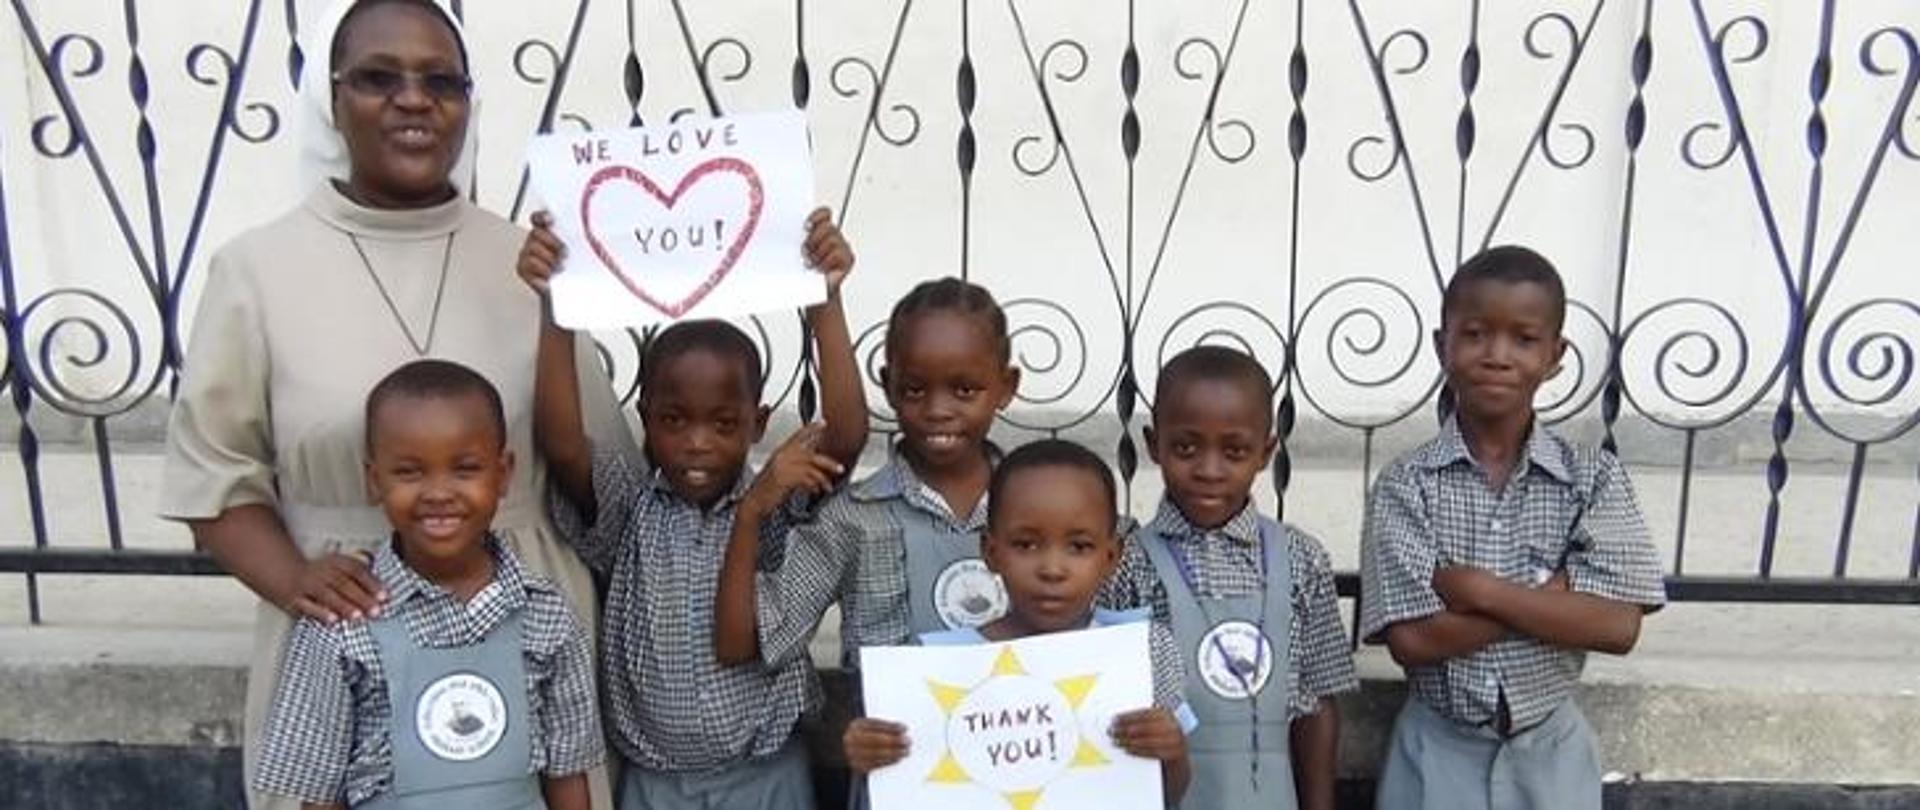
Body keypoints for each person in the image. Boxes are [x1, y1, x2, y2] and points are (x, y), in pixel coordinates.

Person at [160, 2, 627, 808]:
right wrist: (296, 579)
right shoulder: (256, 271)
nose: (414, 99)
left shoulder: (529, 262)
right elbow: (212, 480)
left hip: (523, 630)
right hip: (345, 631)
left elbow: (603, 474)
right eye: (379, 78)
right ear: (332, 99)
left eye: (440, 81)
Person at [517, 205, 868, 809]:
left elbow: (846, 437)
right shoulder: (629, 510)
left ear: (758, 423)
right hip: (656, 784)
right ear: (645, 418)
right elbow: (563, 444)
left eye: (723, 423)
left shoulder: (776, 500)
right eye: (674, 420)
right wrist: (556, 310)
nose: (697, 442)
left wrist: (825, 301)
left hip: (766, 776)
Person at [1359, 246, 1667, 810]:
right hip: (1435, 754)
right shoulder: (1407, 484)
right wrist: (1555, 597)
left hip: (1551, 756)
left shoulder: (1592, 478)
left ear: (1555, 356)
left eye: (1524, 339)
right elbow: (1413, 641)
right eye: (1475, 334)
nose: (1497, 356)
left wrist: (1482, 591)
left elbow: (1619, 626)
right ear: (1442, 346)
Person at [254, 360, 601, 810]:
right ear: (374, 481)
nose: (438, 492)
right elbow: (320, 793)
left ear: (503, 474)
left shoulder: (547, 614)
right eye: (409, 472)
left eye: (465, 469)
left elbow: (568, 772)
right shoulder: (342, 621)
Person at [835, 439, 1195, 808]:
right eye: (1026, 545)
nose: (1052, 569)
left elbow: (1167, 794)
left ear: (1111, 557)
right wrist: (871, 756)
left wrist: (1172, 752)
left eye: (1079, 547)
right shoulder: (934, 665)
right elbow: (908, 788)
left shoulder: (1144, 655)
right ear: (990, 552)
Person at [713, 277, 1020, 673]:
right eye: (914, 390)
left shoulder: (1045, 507)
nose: (938, 410)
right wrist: (749, 513)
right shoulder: (851, 519)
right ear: (888, 386)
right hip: (889, 715)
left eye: (964, 390)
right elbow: (742, 644)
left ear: (1006, 387)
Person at [1098, 345, 1359, 810]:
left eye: (1234, 451)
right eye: (1185, 448)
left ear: (1266, 452)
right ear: (1153, 444)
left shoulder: (1302, 559)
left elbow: (1318, 701)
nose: (1209, 470)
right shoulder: (1126, 564)